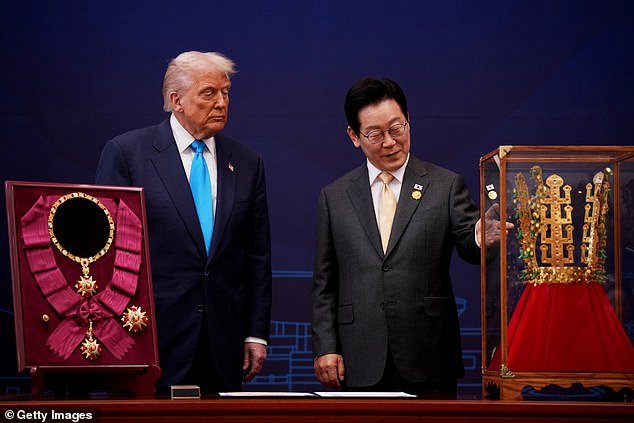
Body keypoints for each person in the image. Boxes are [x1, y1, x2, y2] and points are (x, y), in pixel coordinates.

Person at [311, 77, 510, 397]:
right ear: (354, 136)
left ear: (408, 122)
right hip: (359, 355)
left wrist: (478, 238)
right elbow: (325, 281)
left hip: (429, 353)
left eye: (397, 128)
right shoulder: (334, 197)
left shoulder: (445, 185)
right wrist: (325, 346)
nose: (390, 142)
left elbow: (469, 241)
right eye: (376, 134)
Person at [96, 51, 272, 393]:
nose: (222, 102)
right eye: (209, 93)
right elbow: (105, 253)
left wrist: (255, 333)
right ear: (177, 100)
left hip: (223, 343)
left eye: (226, 92)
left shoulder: (247, 163)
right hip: (147, 338)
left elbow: (257, 256)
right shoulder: (127, 154)